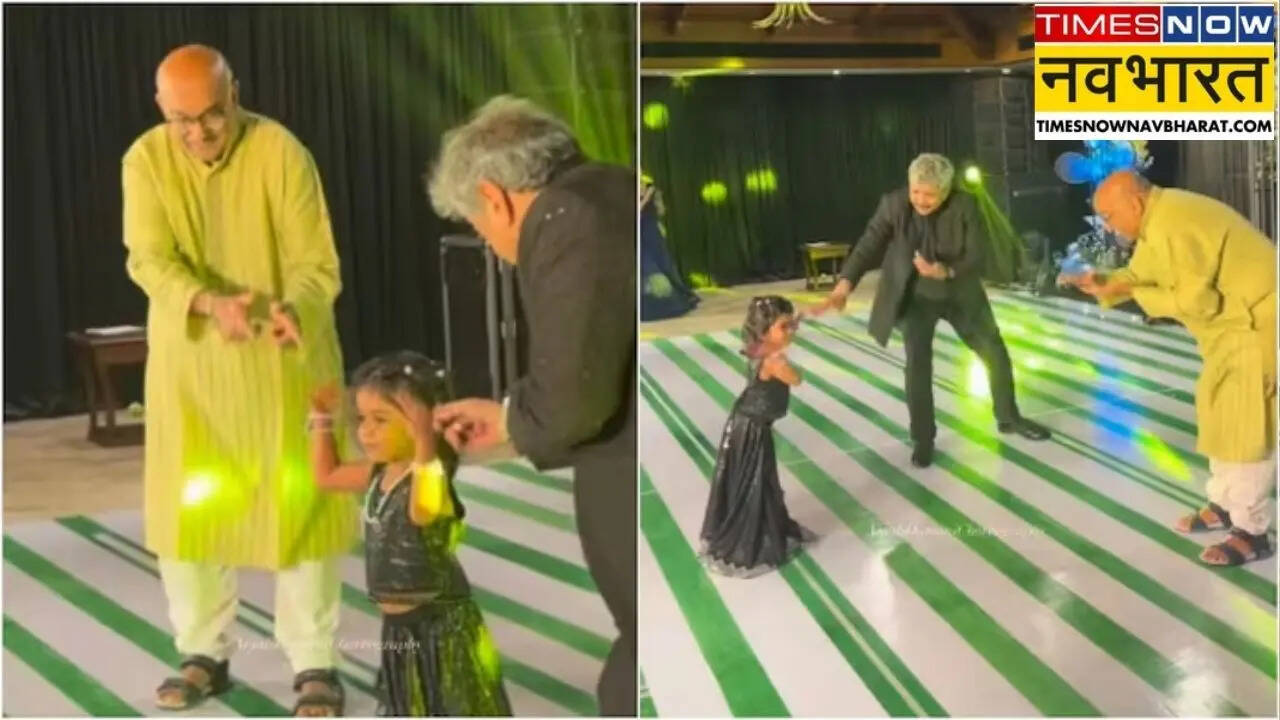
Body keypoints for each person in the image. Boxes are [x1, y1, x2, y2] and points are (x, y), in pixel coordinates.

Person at [123, 44, 351, 715]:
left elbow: (317, 265)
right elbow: (148, 259)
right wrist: (206, 302)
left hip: (285, 361)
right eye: (181, 120)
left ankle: (314, 663)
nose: (198, 133)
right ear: (161, 110)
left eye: (212, 116)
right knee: (189, 508)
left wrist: (296, 309)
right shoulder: (145, 160)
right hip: (192, 365)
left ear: (236, 96)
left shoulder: (282, 152)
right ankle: (203, 653)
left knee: (302, 507)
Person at [424, 96, 637, 714]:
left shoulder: (566, 219)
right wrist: (510, 417)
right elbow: (595, 355)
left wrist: (521, 421)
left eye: (478, 225)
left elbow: (575, 399)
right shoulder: (611, 186)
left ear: (494, 198)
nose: (489, 244)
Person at [1061, 170, 1276, 566]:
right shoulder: (1159, 218)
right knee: (1218, 411)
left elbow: (1198, 303)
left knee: (1247, 424)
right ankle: (1225, 504)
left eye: (1109, 216)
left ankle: (1252, 531)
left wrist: (1133, 291)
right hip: (1234, 329)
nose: (1108, 226)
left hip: (1259, 323)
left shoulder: (1174, 222)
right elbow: (1141, 274)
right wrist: (1105, 281)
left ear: (1134, 203)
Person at [812, 153, 1050, 468]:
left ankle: (1009, 417)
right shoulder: (893, 204)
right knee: (918, 366)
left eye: (930, 195)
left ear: (946, 190)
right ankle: (923, 439)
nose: (921, 200)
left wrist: (946, 271)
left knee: (994, 349)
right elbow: (868, 244)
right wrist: (843, 287)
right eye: (916, 192)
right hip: (916, 296)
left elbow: (977, 253)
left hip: (959, 290)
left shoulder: (966, 206)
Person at [308, 352, 513, 716]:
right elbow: (326, 477)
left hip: (442, 628)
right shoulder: (378, 473)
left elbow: (423, 511)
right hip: (399, 629)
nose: (366, 431)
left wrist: (425, 439)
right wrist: (321, 419)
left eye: (380, 420)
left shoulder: (431, 478)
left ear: (423, 426)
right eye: (362, 419)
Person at [700, 296, 813, 577]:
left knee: (757, 480)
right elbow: (797, 378)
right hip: (751, 427)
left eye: (790, 326)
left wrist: (787, 327)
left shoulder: (757, 349)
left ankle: (764, 523)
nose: (790, 332)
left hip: (745, 422)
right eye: (783, 327)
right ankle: (752, 535)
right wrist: (785, 357)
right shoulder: (774, 361)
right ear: (765, 331)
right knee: (755, 482)